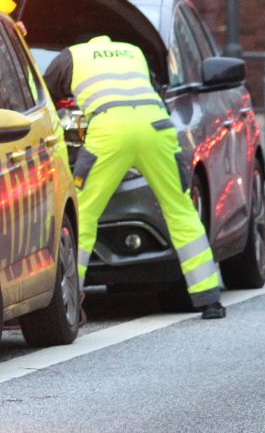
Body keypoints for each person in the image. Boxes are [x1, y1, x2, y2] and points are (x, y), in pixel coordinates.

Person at [44, 35, 226, 319]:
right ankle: (209, 298)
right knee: (180, 209)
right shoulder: (132, 51)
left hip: (110, 130)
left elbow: (43, 96)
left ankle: (70, 302)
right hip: (156, 127)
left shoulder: (72, 56)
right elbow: (155, 89)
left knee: (84, 214)